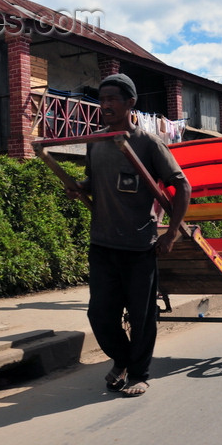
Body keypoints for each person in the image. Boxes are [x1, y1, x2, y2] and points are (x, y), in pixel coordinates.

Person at [66, 73, 191, 397]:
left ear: (130, 103)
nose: (104, 105)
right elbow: (92, 183)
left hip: (139, 245)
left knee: (142, 315)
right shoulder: (96, 143)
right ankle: (121, 359)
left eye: (112, 99)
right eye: (101, 99)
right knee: (100, 313)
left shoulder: (148, 143)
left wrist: (172, 233)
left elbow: (182, 186)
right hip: (103, 243)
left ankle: (139, 374)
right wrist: (78, 188)